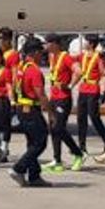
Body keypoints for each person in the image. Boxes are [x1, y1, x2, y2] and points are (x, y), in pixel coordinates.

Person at [10, 38, 52, 188]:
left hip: (22, 108)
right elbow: (40, 94)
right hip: (31, 111)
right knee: (40, 142)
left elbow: (14, 88)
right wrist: (50, 113)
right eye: (40, 52)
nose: (42, 55)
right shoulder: (34, 70)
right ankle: (18, 168)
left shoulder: (22, 67)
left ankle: (34, 176)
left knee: (32, 142)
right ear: (34, 53)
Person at [44, 35, 85, 172]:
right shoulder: (52, 57)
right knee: (52, 128)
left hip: (63, 98)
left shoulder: (65, 57)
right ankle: (57, 160)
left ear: (55, 44)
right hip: (54, 97)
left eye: (48, 43)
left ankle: (78, 153)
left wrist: (70, 85)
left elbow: (79, 72)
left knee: (59, 128)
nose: (46, 46)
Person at [75, 38, 105, 156]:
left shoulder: (98, 57)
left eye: (87, 42)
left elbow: (103, 75)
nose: (84, 43)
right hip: (83, 89)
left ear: (91, 44)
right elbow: (78, 72)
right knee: (81, 118)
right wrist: (71, 85)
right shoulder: (82, 56)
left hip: (93, 90)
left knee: (94, 117)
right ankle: (82, 146)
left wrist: (103, 92)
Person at [0, 27, 19, 162]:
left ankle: (4, 148)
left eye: (4, 39)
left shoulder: (13, 54)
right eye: (0, 38)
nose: (1, 41)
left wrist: (13, 93)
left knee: (5, 123)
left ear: (9, 40)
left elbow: (15, 74)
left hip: (7, 92)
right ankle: (0, 147)